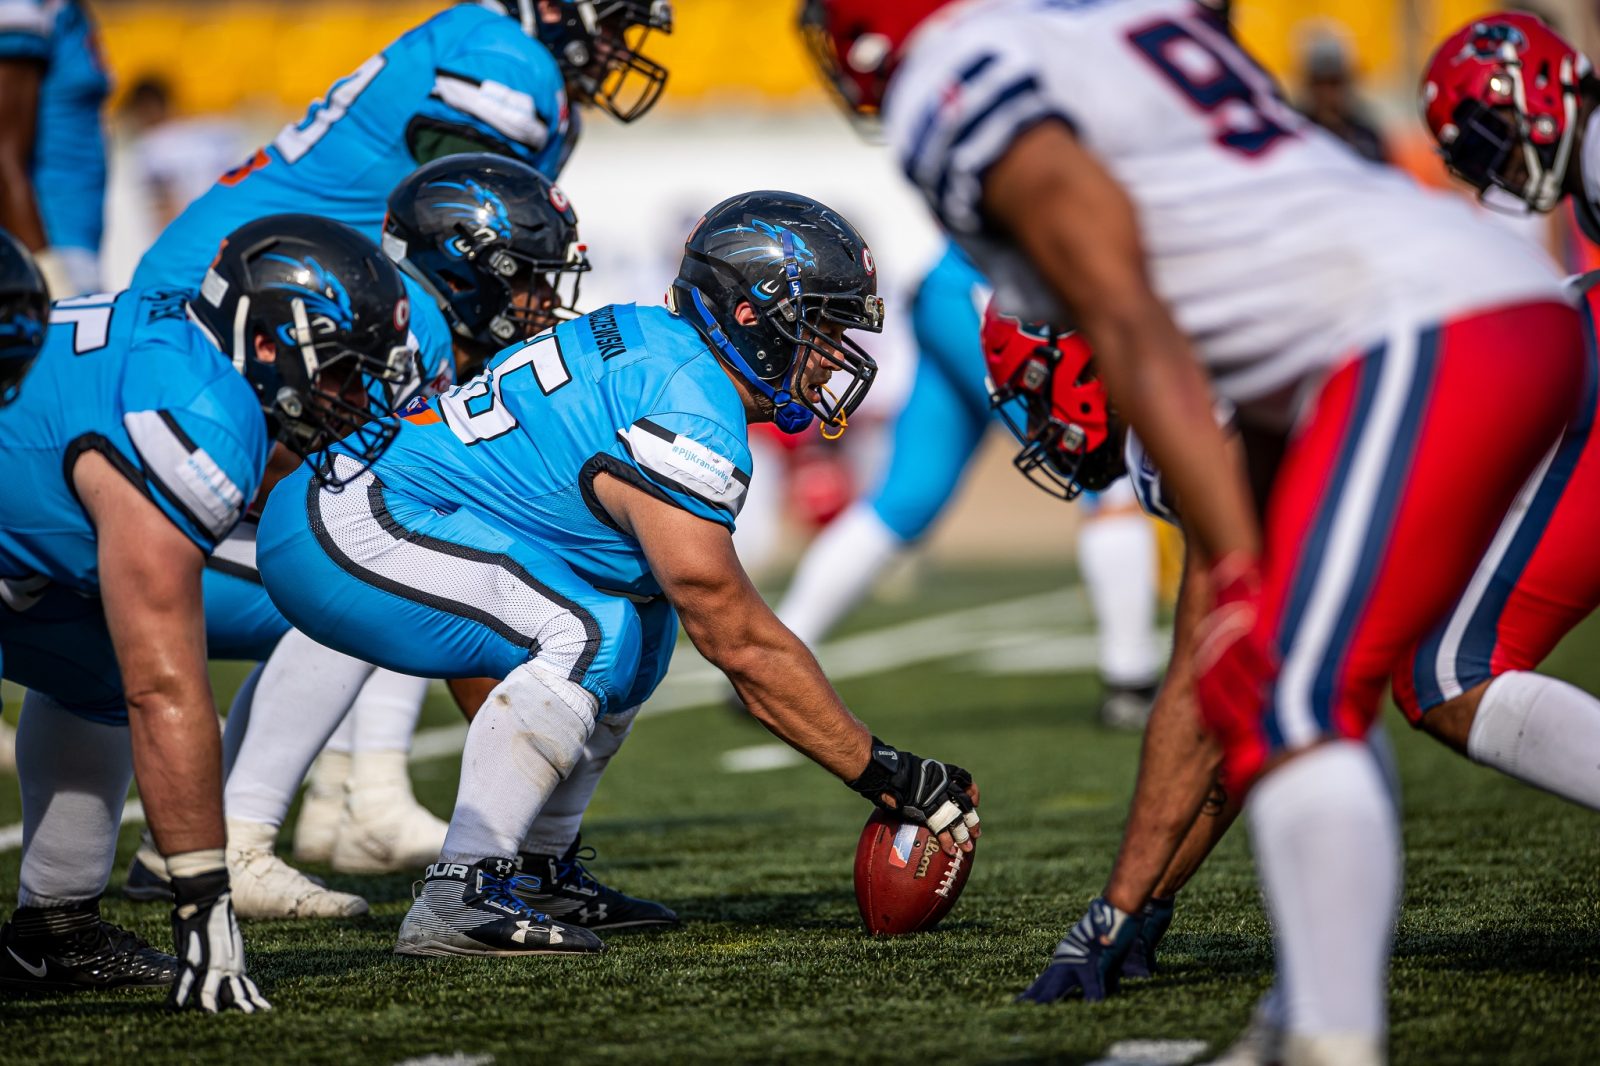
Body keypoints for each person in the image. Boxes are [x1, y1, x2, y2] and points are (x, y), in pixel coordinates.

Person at [803, 3, 1580, 1063]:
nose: (1039, 416)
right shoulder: (1110, 41)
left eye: (1036, 389)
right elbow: (1201, 683)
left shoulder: (957, 79)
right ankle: (1307, 1008)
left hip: (1422, 328)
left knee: (1307, 687)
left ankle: (1328, 1033)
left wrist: (1122, 906)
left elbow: (1120, 307)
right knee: (1305, 679)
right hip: (1473, 311)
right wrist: (1130, 905)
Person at [254, 190, 980, 958]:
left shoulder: (661, 339)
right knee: (590, 631)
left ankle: (536, 871)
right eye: (821, 324)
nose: (833, 350)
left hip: (371, 506)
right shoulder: (688, 407)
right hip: (352, 521)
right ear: (753, 315)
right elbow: (737, 638)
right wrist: (884, 771)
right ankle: (462, 890)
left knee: (638, 625)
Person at [0, 214, 413, 1008]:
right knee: (151, 669)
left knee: (93, 669)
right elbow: (164, 687)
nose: (354, 399)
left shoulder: (197, 353)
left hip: (28, 538)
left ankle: (53, 934)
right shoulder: (197, 413)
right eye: (341, 373)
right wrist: (204, 908)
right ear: (266, 344)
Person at [770, 242, 1161, 728]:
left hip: (952, 290)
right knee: (1105, 471)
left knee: (907, 498)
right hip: (992, 296)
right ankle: (1132, 679)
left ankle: (770, 660)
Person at [0, 0, 108, 299]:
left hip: (71, 249)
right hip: (46, 252)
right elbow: (3, 157)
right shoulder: (21, 7)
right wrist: (47, 281)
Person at [122, 75, 249, 231]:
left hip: (192, 235)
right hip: (230, 224)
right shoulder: (216, 130)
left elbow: (165, 207)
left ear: (147, 107)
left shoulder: (152, 147)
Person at [1298, 34, 1388, 165]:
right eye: (1320, 83)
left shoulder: (1366, 137)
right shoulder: (1298, 131)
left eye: (1334, 83)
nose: (1327, 93)